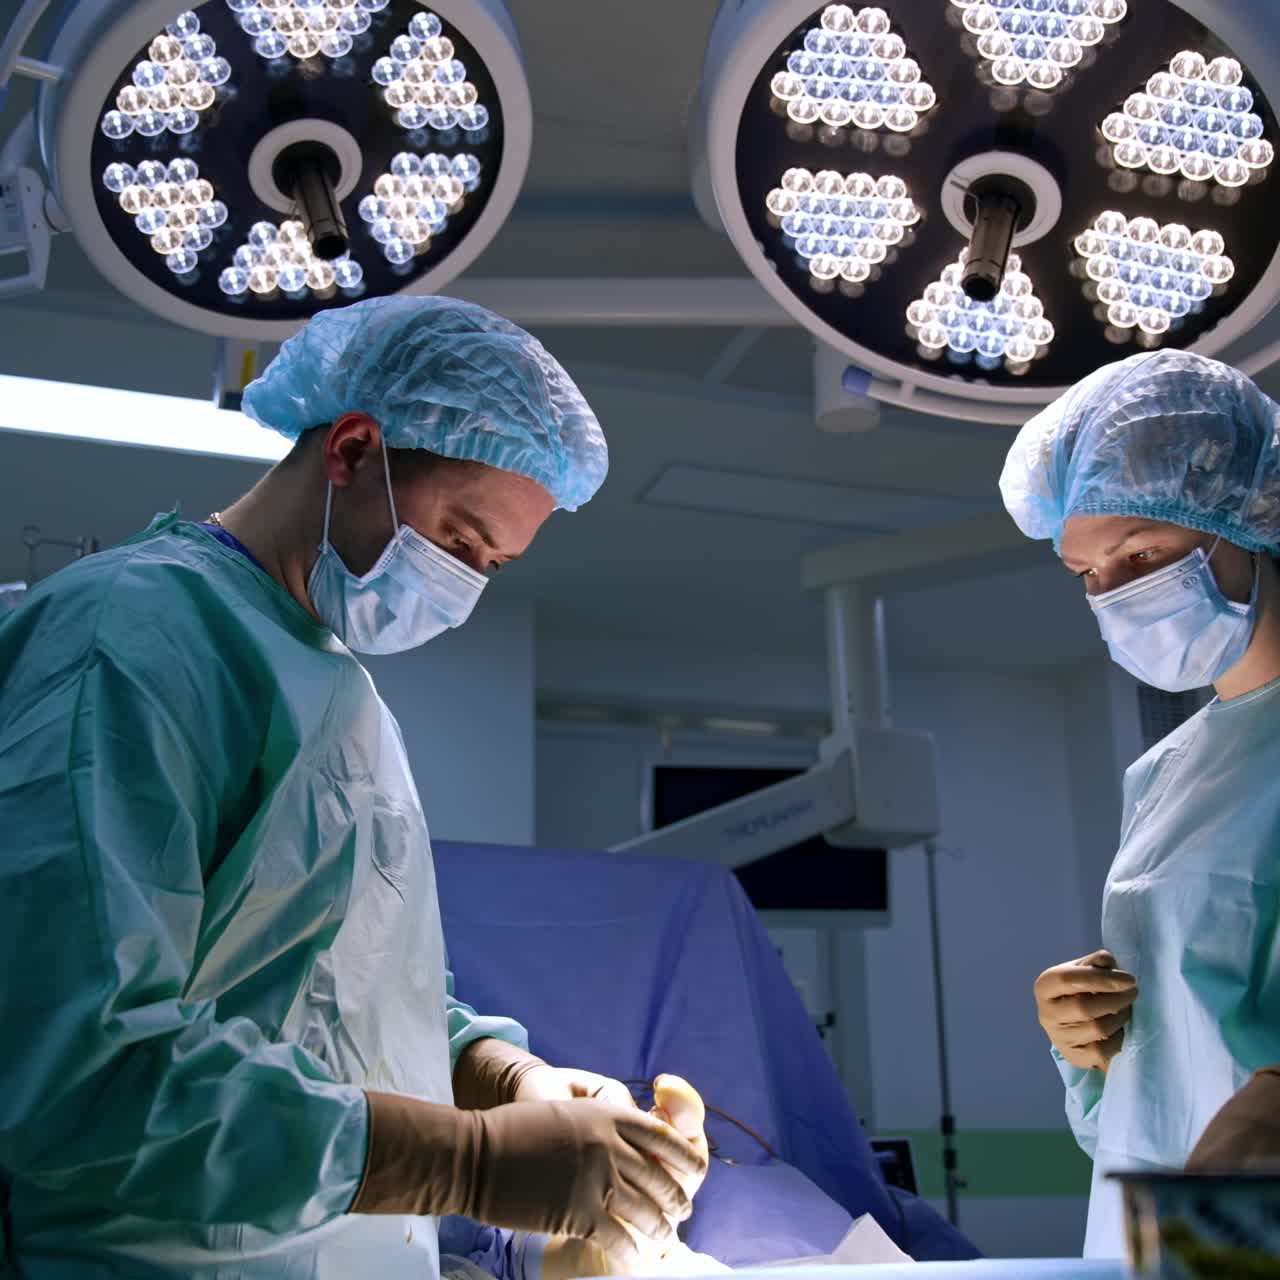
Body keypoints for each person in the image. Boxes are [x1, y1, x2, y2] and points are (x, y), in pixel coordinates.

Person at [0, 296, 705, 1278]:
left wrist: (504, 1074)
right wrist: (469, 1160)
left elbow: (344, 995)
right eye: (461, 540)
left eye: (492, 565)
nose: (465, 588)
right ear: (351, 450)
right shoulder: (126, 638)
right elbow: (82, 1078)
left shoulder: (342, 695)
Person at [999, 349, 1280, 1256]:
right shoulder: (1160, 774)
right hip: (1172, 1229)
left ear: (1252, 516)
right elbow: (1149, 1099)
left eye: (1140, 553)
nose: (1115, 596)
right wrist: (1085, 1041)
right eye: (1087, 573)